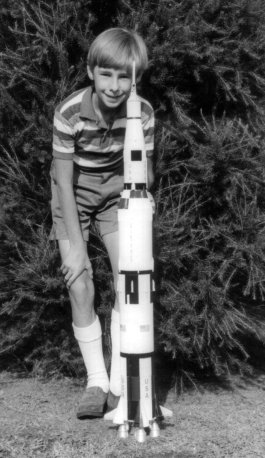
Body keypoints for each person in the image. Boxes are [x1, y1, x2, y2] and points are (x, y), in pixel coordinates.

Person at [50, 27, 154, 419]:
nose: (114, 86)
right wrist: (76, 248)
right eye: (106, 74)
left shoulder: (142, 113)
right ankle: (95, 380)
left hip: (117, 196)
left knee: (127, 279)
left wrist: (143, 216)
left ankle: (116, 385)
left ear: (135, 78)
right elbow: (62, 180)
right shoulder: (69, 112)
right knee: (80, 285)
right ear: (91, 71)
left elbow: (145, 173)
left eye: (124, 76)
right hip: (73, 195)